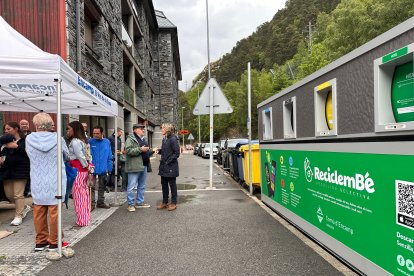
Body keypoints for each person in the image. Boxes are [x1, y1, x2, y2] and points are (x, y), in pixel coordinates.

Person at [25, 113, 70, 251]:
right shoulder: (58, 138)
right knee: (54, 210)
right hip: (55, 179)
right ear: (50, 124)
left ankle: (40, 241)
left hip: (38, 178)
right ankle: (54, 242)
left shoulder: (29, 139)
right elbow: (67, 156)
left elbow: (28, 154)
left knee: (39, 210)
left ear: (36, 125)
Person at [0, 122, 31, 225]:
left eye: (8, 129)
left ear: (16, 129)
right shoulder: (3, 141)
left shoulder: (25, 140)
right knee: (9, 195)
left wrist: (17, 147)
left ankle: (18, 216)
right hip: (6, 171)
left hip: (20, 171)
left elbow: (28, 154)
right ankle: (24, 207)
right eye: (5, 129)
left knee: (18, 195)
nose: (6, 131)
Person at [125, 124, 155, 212]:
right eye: (141, 129)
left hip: (144, 165)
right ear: (135, 130)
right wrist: (141, 149)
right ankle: (130, 204)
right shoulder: (130, 139)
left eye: (143, 129)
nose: (143, 130)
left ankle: (139, 202)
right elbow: (129, 151)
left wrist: (152, 151)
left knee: (142, 185)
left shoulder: (143, 139)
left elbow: (145, 152)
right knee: (131, 186)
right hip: (134, 166)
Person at [67, 121, 92, 227]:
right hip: (83, 170)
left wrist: (85, 165)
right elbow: (87, 155)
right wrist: (88, 166)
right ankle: (85, 218)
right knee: (84, 194)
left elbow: (79, 155)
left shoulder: (75, 141)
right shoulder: (83, 140)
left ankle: (82, 220)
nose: (67, 131)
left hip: (77, 170)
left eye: (69, 129)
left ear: (74, 129)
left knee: (79, 196)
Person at [157, 123, 180, 211]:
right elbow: (165, 151)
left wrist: (167, 161)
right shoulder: (165, 139)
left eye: (162, 129)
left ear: (167, 129)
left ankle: (173, 203)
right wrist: (158, 151)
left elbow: (176, 153)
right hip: (164, 167)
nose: (161, 130)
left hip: (171, 167)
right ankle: (165, 202)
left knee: (172, 186)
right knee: (164, 185)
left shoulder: (173, 139)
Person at [89, 126, 113, 209]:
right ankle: (91, 204)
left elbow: (110, 155)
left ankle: (100, 202)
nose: (95, 135)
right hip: (92, 168)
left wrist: (110, 168)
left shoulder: (107, 142)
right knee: (91, 186)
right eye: (94, 133)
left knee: (102, 186)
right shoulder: (90, 141)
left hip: (103, 168)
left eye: (97, 133)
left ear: (102, 133)